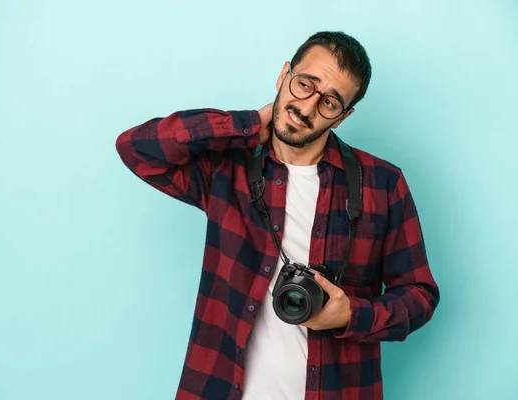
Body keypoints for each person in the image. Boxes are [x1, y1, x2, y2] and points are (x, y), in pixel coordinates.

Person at [115, 31, 440, 400]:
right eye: (304, 84)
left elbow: (420, 295)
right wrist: (248, 123)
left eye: (330, 102)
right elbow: (135, 148)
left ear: (344, 116)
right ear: (284, 74)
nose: (307, 107)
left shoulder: (383, 183)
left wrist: (350, 315)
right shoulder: (228, 169)